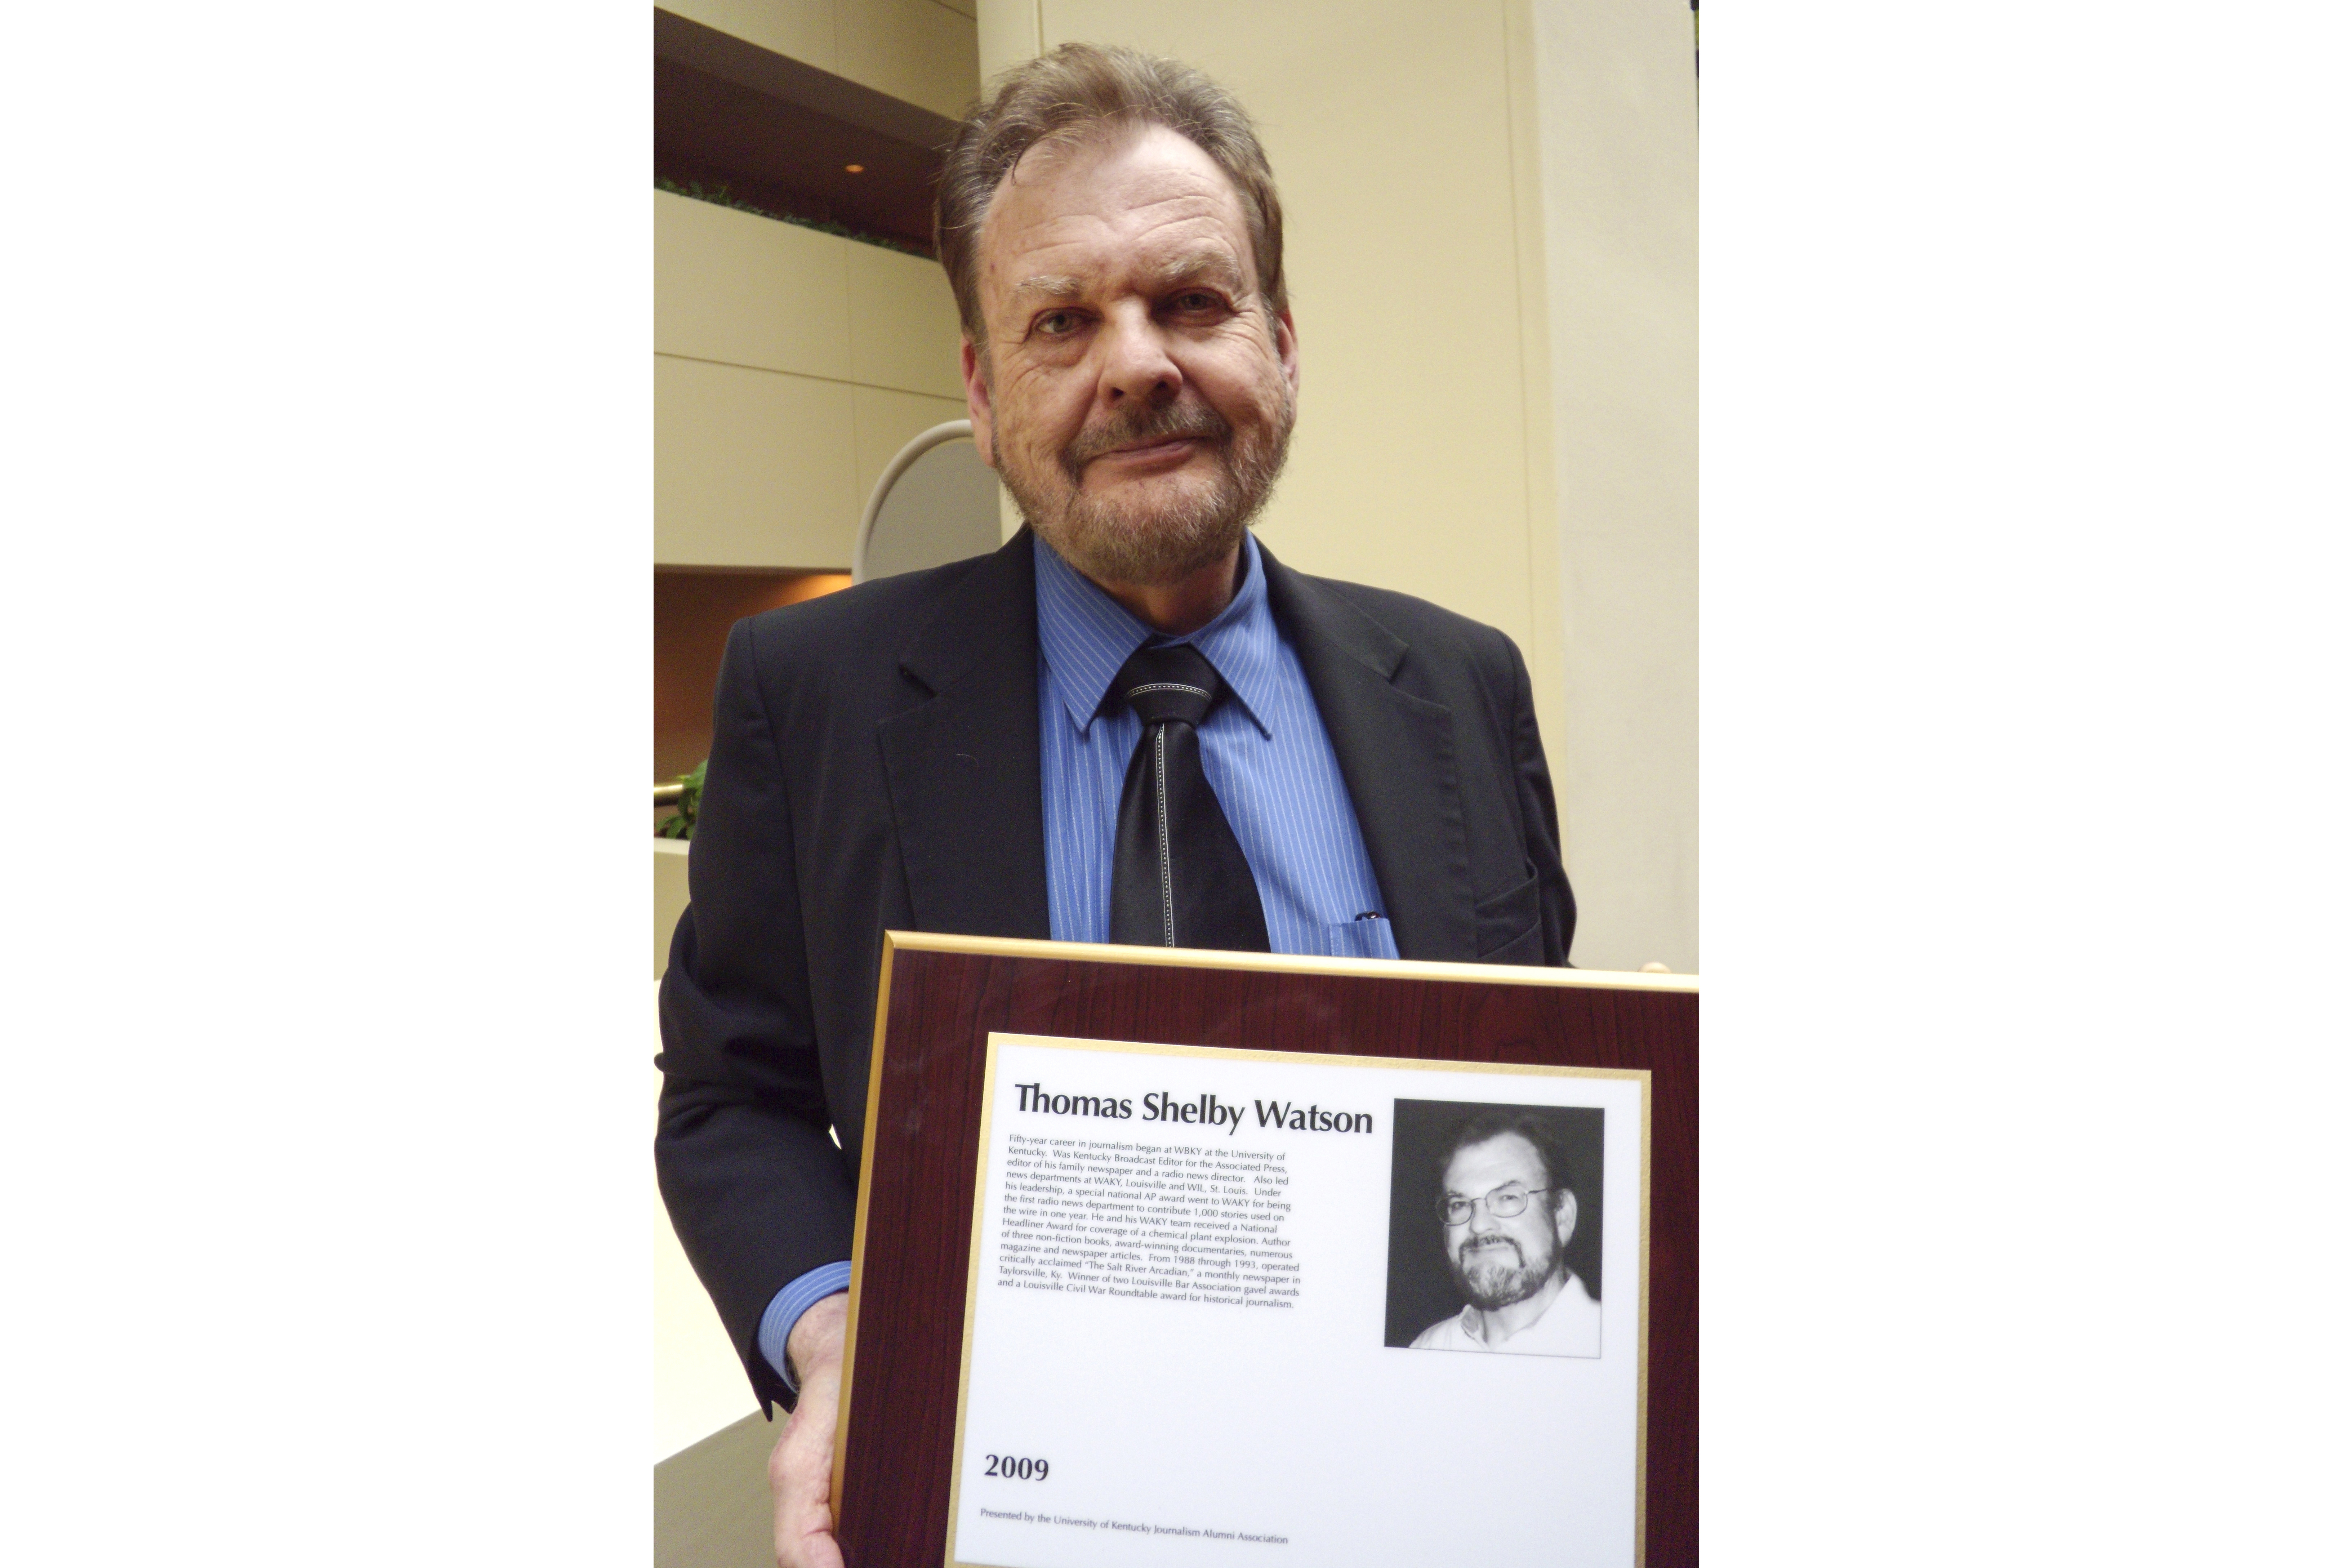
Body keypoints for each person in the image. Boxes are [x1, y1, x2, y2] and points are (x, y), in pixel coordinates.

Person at [656, 42, 1577, 1568]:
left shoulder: (1463, 685)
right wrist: (834, 1338)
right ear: (981, 386)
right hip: (1007, 1499)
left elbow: (1527, 1085)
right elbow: (733, 1093)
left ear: (1281, 340)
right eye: (1062, 322)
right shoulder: (808, 692)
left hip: (1409, 1497)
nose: (1136, 362)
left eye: (1192, 301)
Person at [1409, 1112, 1600, 1357]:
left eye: (1508, 1198)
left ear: (1562, 1216)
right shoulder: (1429, 1348)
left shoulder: (1612, 1345)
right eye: (1460, 1204)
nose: (1478, 1225)